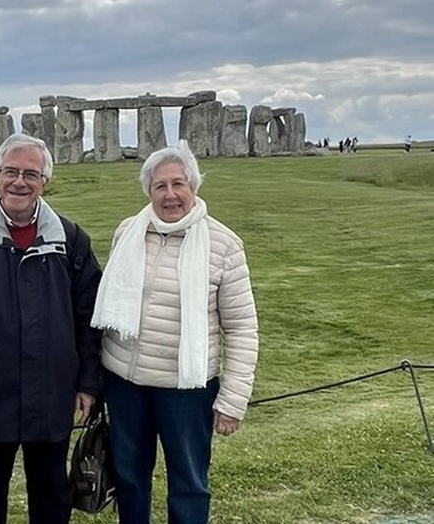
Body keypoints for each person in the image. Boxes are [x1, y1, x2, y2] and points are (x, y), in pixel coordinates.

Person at [0, 133, 102, 524]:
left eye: (31, 173)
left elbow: (89, 317)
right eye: (10, 172)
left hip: (52, 392)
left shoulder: (70, 240)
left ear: (45, 181)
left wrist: (88, 383)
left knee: (51, 498)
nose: (19, 182)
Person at [91, 140, 259, 524]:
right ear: (149, 191)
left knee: (188, 480)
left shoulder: (224, 245)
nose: (170, 195)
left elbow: (242, 326)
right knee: (130, 477)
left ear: (193, 187)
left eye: (178, 184)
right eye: (160, 186)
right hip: (124, 381)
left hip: (187, 389)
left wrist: (233, 400)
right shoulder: (127, 232)